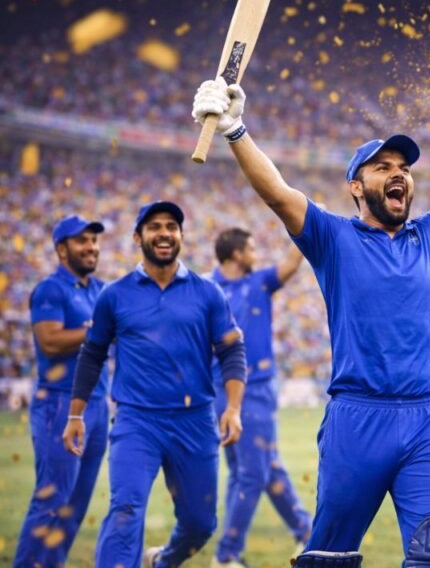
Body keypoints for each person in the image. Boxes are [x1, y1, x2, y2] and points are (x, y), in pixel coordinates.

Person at [191, 59, 430, 566]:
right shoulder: (332, 237)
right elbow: (278, 194)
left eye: (405, 169)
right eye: (383, 167)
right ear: (355, 186)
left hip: (427, 419)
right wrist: (236, 130)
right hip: (355, 420)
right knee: (329, 558)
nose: (398, 176)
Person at [63, 201, 247, 568]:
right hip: (136, 421)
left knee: (200, 523)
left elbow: (231, 350)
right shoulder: (114, 295)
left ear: (180, 236)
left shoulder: (208, 293)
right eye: (154, 227)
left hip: (194, 421)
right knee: (126, 508)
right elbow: (92, 355)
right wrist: (75, 415)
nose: (164, 233)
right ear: (138, 237)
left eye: (171, 226)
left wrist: (233, 408)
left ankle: (163, 561)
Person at [209, 228, 310, 566]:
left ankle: (306, 532)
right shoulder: (206, 290)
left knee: (262, 467)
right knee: (252, 472)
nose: (256, 253)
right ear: (236, 254)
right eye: (251, 248)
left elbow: (291, 264)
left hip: (252, 388)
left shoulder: (259, 282)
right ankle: (226, 556)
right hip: (233, 390)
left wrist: (308, 226)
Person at [15, 215, 108, 567]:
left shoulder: (99, 290)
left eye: (94, 241)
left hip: (97, 404)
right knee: (52, 501)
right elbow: (50, 340)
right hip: (59, 403)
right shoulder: (51, 289)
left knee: (74, 507)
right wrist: (96, 329)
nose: (91, 247)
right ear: (61, 248)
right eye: (81, 240)